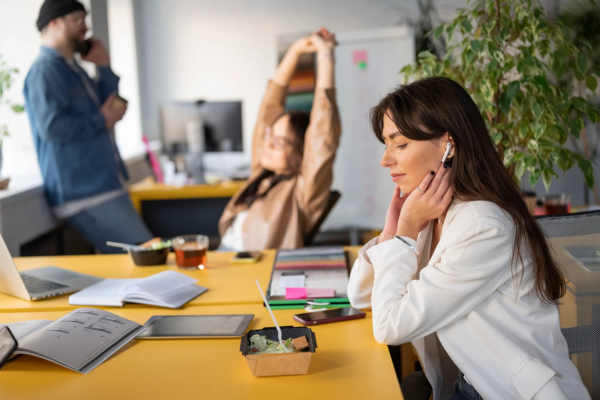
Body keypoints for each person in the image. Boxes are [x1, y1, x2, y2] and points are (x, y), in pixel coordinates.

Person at [347, 77, 590, 400]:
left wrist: (405, 233)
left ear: (449, 144)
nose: (386, 159)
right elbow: (362, 297)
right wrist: (392, 234)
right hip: (469, 386)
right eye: (386, 144)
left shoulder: (482, 225)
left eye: (400, 144)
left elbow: (390, 326)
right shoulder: (434, 213)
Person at [23, 0, 153, 254]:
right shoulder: (45, 71)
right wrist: (101, 121)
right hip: (84, 192)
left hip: (102, 184)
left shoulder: (73, 69)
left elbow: (108, 105)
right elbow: (52, 127)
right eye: (78, 20)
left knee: (143, 261)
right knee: (147, 257)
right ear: (55, 23)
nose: (86, 28)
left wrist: (103, 65)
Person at [218, 28, 341, 251]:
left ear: (303, 149)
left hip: (256, 273)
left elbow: (324, 133)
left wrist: (325, 54)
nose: (268, 144)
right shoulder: (263, 173)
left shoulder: (305, 190)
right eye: (269, 136)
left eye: (280, 141)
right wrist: (295, 52)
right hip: (224, 259)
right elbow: (269, 107)